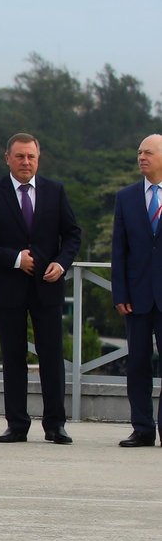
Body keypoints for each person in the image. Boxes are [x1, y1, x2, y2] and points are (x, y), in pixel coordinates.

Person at [0, 133, 81, 445]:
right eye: (19, 156)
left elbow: (72, 234)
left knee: (51, 357)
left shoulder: (55, 191)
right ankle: (17, 424)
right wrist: (14, 259)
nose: (25, 162)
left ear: (38, 158)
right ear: (7, 158)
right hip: (8, 287)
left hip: (47, 287)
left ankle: (55, 425)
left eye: (31, 157)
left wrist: (62, 263)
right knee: (13, 357)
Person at [111, 134, 162, 447]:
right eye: (139, 152)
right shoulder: (126, 197)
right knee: (138, 364)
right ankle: (142, 428)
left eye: (149, 153)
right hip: (138, 298)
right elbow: (119, 250)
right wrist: (120, 293)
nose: (142, 157)